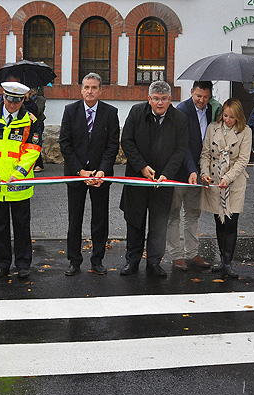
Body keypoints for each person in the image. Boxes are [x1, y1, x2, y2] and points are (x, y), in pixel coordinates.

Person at [120, 80, 188, 278]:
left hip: (163, 182)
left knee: (158, 224)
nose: (160, 103)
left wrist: (167, 173)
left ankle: (154, 263)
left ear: (170, 99)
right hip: (137, 178)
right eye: (156, 99)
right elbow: (127, 141)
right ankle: (132, 261)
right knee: (135, 221)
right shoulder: (136, 113)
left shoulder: (180, 119)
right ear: (148, 99)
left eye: (164, 99)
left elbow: (180, 150)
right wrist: (142, 166)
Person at [0, 81, 41, 280]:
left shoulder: (30, 121)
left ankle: (22, 264)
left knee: (22, 225)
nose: (12, 105)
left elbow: (33, 150)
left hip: (18, 184)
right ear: (3, 96)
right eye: (10, 100)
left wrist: (19, 173)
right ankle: (2, 264)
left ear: (23, 100)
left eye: (17, 101)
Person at [59, 72, 120, 276]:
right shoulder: (70, 111)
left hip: (100, 177)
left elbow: (112, 145)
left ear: (100, 90)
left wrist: (102, 170)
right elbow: (65, 143)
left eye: (94, 88)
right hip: (77, 175)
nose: (90, 91)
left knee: (100, 219)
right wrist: (80, 171)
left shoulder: (111, 113)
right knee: (74, 220)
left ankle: (97, 259)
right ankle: (74, 261)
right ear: (81, 89)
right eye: (86, 87)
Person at [167, 81, 220, 271]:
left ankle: (192, 253)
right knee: (173, 214)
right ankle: (176, 255)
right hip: (180, 172)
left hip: (198, 172)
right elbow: (183, 146)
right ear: (191, 92)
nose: (202, 100)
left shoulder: (210, 110)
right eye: (198, 96)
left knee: (192, 213)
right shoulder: (181, 111)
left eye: (206, 97)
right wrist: (191, 170)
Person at [200, 98, 252, 279]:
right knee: (218, 221)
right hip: (214, 179)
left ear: (238, 117)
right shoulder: (212, 128)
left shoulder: (246, 131)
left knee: (231, 222)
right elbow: (205, 154)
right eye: (225, 115)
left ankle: (228, 262)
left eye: (232, 117)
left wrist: (228, 177)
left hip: (234, 182)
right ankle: (222, 259)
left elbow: (243, 160)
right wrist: (204, 173)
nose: (228, 120)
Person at [30, 87, 46, 172]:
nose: (31, 91)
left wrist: (30, 101)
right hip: (29, 123)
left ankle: (39, 164)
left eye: (33, 89)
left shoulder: (40, 99)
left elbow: (37, 111)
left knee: (36, 142)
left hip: (38, 123)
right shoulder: (26, 99)